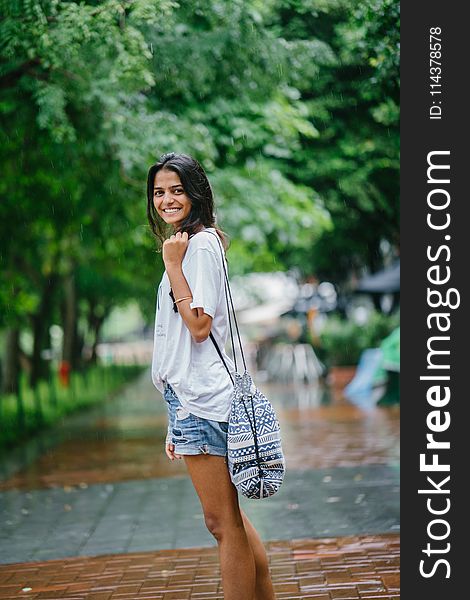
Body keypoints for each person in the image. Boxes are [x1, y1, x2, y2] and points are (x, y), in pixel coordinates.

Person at [147, 153, 276, 600]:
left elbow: (199, 327)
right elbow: (177, 345)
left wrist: (171, 266)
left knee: (222, 525)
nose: (167, 199)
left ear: (195, 193)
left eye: (177, 190)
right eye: (160, 192)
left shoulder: (195, 248)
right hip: (191, 399)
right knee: (231, 522)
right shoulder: (191, 245)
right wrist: (172, 413)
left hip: (201, 400)